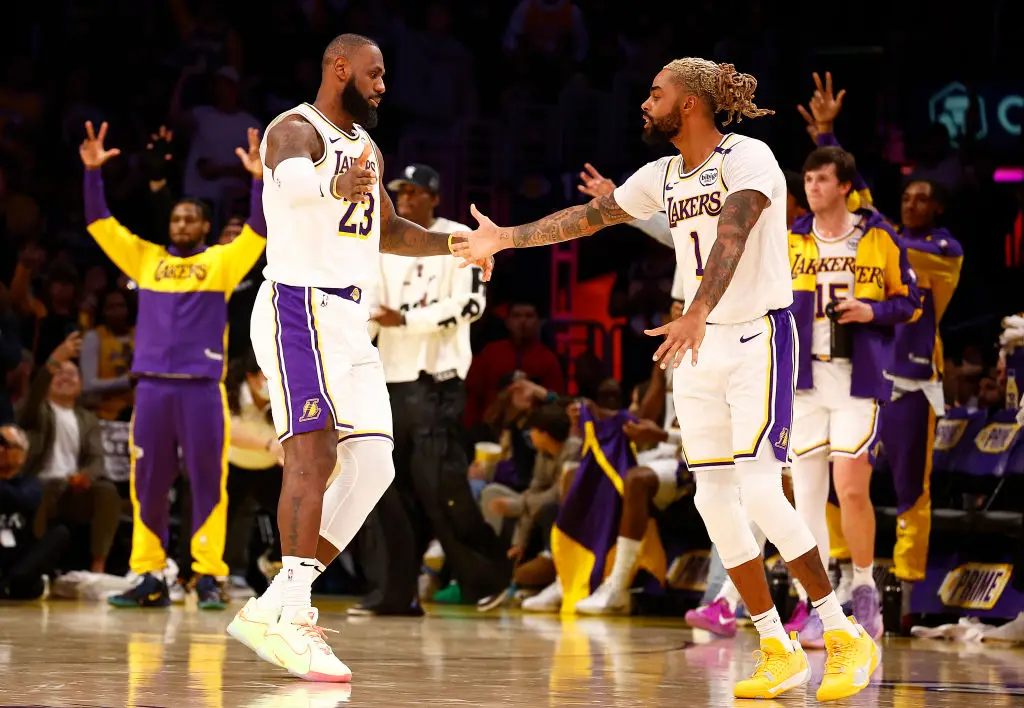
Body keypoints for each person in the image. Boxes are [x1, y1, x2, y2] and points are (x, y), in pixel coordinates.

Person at [453, 57, 879, 701]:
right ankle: (775, 644)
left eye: (656, 93)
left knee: (763, 492)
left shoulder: (749, 157)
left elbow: (733, 234)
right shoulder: (662, 175)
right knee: (712, 500)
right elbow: (585, 218)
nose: (644, 103)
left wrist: (698, 310)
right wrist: (505, 238)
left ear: (690, 104)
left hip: (756, 335)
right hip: (699, 347)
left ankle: (843, 633)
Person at [231, 33, 492, 682]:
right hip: (300, 306)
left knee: (373, 463)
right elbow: (292, 187)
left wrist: (459, 243)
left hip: (348, 318)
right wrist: (333, 188)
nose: (382, 86)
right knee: (313, 453)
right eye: (374, 74)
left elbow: (388, 233)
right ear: (340, 69)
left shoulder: (367, 148)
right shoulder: (294, 130)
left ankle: (272, 606)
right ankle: (293, 617)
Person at [77, 121, 267, 609]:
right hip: (153, 391)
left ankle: (207, 576)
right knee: (148, 484)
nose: (180, 225)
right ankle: (150, 576)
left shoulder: (223, 263)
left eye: (190, 219)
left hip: (202, 389)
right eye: (176, 219)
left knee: (208, 482)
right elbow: (100, 223)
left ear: (205, 226)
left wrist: (259, 179)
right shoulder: (145, 260)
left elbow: (259, 230)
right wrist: (92, 173)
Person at [351, 162, 508, 615]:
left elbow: (472, 304)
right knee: (382, 488)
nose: (406, 198)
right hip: (385, 382)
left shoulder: (457, 236)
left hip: (435, 382)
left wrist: (406, 319)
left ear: (434, 196)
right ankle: (392, 593)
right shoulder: (383, 243)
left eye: (416, 192)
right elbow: (370, 307)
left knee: (441, 485)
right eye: (400, 191)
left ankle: (486, 578)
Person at [787, 146, 920, 645]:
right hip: (803, 383)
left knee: (850, 488)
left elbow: (909, 302)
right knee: (806, 498)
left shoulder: (879, 235)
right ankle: (818, 603)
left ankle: (864, 589)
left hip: (856, 379)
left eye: (822, 180)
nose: (812, 188)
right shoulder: (791, 239)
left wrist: (871, 311)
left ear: (846, 186)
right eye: (809, 179)